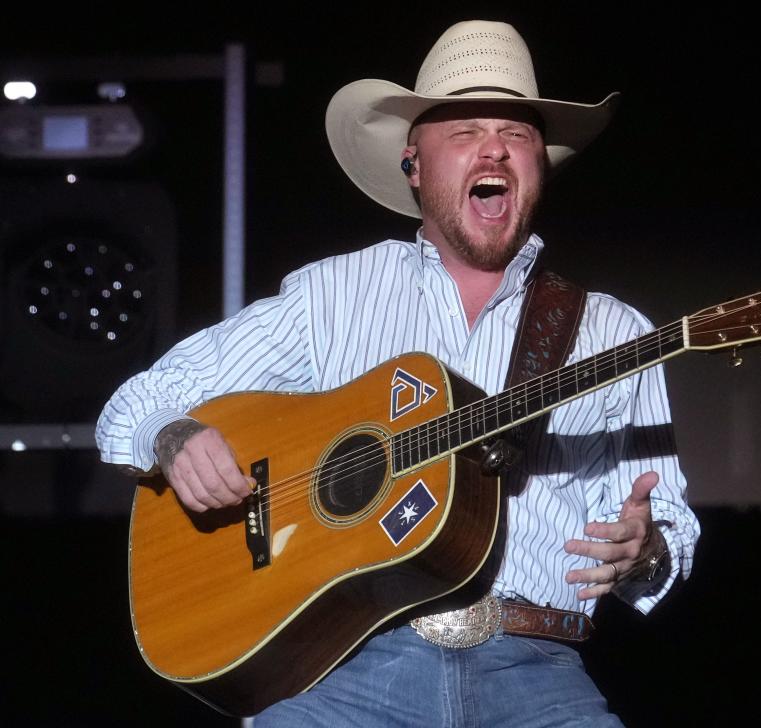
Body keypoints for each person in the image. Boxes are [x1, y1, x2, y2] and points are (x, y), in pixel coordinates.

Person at [97, 19, 700, 726]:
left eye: (519, 133)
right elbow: (136, 404)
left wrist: (644, 549)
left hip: (534, 671)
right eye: (466, 130)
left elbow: (664, 525)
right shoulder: (331, 295)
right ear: (414, 163)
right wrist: (175, 437)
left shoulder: (614, 332)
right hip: (344, 669)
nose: (496, 148)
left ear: (540, 165)